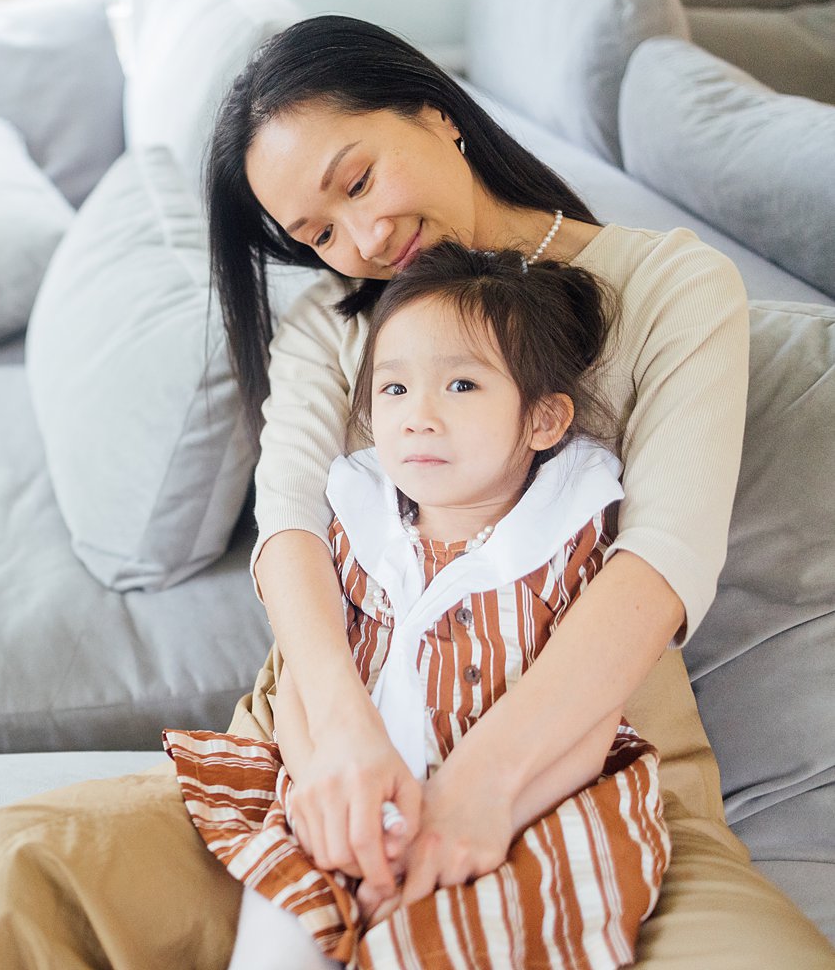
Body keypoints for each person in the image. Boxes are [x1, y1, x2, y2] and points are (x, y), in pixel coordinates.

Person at [0, 16, 835, 968]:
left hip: (590, 753)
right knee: (17, 863)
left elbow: (662, 561)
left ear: (436, 115)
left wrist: (477, 786)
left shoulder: (670, 285)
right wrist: (342, 746)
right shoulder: (330, 328)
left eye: (357, 181)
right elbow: (291, 530)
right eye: (318, 232)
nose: (363, 238)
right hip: (328, 755)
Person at [163, 241, 671, 969]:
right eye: (394, 390)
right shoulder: (355, 521)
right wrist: (325, 803)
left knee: (493, 929)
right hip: (340, 793)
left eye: (462, 386)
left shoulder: (568, 533)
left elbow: (590, 723)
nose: (418, 417)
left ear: (544, 421)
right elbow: (307, 690)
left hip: (525, 806)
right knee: (278, 933)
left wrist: (473, 822)